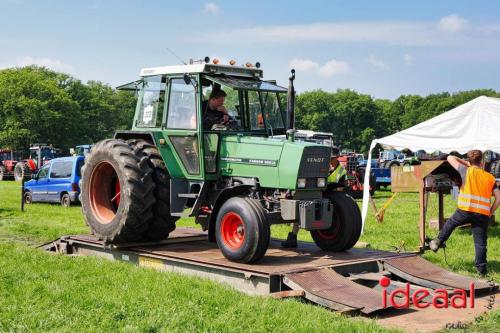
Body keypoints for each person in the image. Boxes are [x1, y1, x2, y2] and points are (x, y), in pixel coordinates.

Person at [429, 150, 500, 276]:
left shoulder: (465, 170)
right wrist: (490, 212)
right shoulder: (490, 177)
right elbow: (498, 198)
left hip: (465, 209)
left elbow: (450, 157)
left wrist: (466, 163)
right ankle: (482, 270)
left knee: (450, 223)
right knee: (480, 242)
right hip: (482, 214)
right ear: (482, 161)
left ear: (469, 160)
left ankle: (437, 242)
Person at [281, 147, 345, 248]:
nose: (329, 160)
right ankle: (293, 238)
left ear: (336, 158)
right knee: (299, 210)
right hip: (316, 193)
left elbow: (340, 189)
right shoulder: (325, 167)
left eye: (331, 158)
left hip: (329, 198)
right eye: (329, 158)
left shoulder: (342, 171)